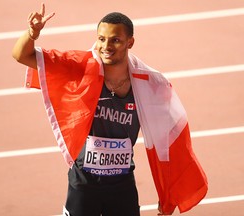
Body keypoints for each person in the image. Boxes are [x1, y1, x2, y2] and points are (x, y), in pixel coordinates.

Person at [12, 3, 208, 216]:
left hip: (122, 184)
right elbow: (21, 55)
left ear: (130, 42)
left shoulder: (149, 84)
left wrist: (167, 192)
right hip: (83, 183)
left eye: (115, 40)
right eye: (102, 39)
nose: (106, 46)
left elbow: (170, 142)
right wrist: (33, 33)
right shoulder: (80, 70)